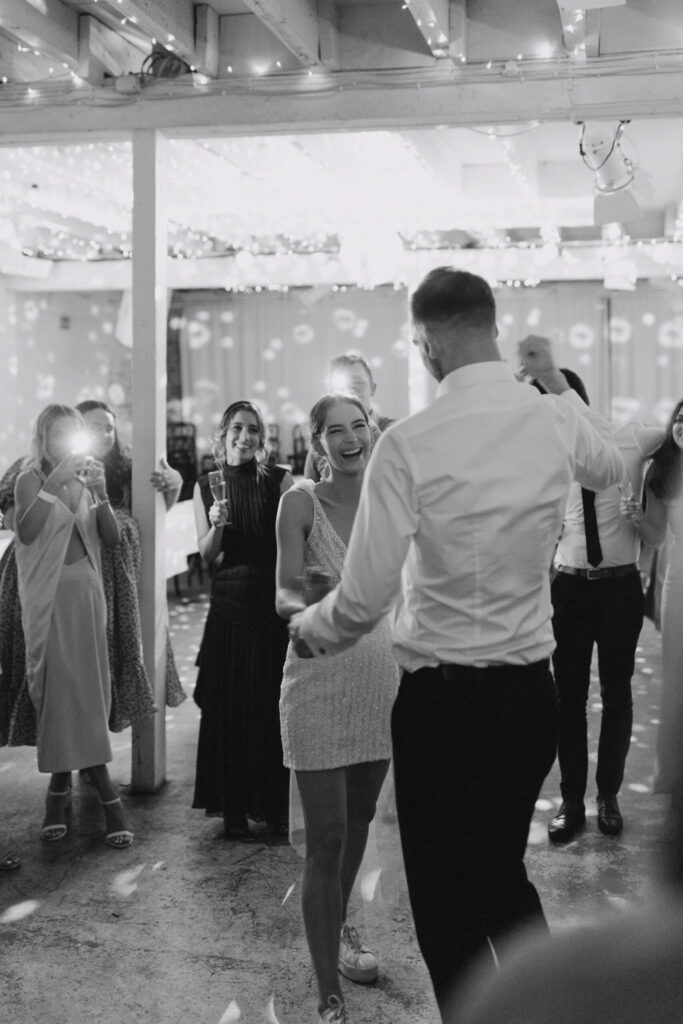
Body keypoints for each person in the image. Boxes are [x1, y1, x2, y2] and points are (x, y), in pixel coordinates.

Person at [288, 268, 624, 1019]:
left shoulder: (407, 442)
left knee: (445, 902)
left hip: (441, 707)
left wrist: (311, 630)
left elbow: (366, 594)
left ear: (430, 342)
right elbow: (611, 465)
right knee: (502, 875)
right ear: (491, 325)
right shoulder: (550, 418)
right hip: (531, 696)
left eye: (417, 344)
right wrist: (553, 382)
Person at [276, 393, 399, 1024]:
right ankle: (329, 990)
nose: (351, 439)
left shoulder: (390, 499)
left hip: (381, 685)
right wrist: (310, 598)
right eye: (337, 431)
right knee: (326, 839)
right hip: (319, 688)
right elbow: (283, 599)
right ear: (317, 439)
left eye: (360, 427)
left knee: (354, 831)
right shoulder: (300, 501)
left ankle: (340, 927)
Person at [518, 336, 665, 842]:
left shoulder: (628, 438)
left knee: (619, 693)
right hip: (571, 589)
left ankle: (609, 794)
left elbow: (673, 434)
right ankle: (571, 800)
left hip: (620, 588)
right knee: (569, 697)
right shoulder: (545, 452)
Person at [0, 401, 186, 746]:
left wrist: (173, 480)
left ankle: (89, 750)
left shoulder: (124, 466)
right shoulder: (39, 471)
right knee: (56, 669)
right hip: (50, 574)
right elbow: (17, 510)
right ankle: (65, 762)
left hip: (105, 575)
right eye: (93, 427)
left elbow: (152, 507)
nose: (102, 434)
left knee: (100, 662)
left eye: (109, 427)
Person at [13, 404, 132, 848]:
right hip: (49, 597)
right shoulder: (30, 478)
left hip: (86, 592)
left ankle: (59, 791)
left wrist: (99, 492)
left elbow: (112, 537)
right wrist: (55, 480)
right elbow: (27, 534)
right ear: (44, 439)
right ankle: (106, 795)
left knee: (89, 691)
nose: (67, 443)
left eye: (72, 435)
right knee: (59, 691)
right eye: (57, 435)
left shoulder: (87, 477)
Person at [192, 400, 294, 839]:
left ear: (262, 438)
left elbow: (296, 544)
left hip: (269, 605)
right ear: (223, 435)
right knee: (228, 708)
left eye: (253, 430)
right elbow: (209, 554)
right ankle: (232, 808)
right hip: (228, 609)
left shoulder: (279, 479)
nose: (245, 436)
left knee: (271, 707)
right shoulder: (206, 485)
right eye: (237, 428)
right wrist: (216, 524)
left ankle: (273, 807)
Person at [621, 397, 683, 803]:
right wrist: (638, 517)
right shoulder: (662, 472)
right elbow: (658, 538)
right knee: (676, 684)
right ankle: (672, 779)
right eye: (681, 418)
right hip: (679, 588)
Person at [303, 351, 394, 482]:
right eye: (343, 386)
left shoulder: (393, 431)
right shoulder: (321, 442)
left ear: (373, 388)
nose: (350, 391)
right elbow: (311, 491)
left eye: (357, 383)